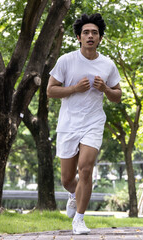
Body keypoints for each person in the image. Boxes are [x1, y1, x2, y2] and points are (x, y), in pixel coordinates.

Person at [47, 13, 122, 235]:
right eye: (86, 32)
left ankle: (79, 219)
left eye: (95, 33)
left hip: (93, 122)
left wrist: (106, 89)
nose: (90, 36)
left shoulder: (107, 64)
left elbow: (117, 96)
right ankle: (73, 193)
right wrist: (74, 89)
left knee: (86, 169)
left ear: (100, 38)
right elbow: (51, 90)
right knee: (67, 179)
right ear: (79, 37)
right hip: (69, 124)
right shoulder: (66, 61)